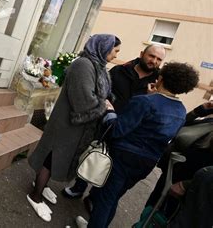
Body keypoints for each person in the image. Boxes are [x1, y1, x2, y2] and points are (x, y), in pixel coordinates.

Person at [77, 62, 199, 228]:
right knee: (113, 198)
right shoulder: (180, 111)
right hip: (147, 163)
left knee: (105, 199)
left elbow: (117, 130)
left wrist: (110, 111)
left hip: (123, 157)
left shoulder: (144, 101)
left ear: (160, 78)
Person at [26, 34, 121, 222]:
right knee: (51, 157)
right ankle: (35, 196)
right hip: (65, 124)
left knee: (58, 158)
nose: (116, 56)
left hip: (76, 126)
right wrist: (104, 106)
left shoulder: (97, 65)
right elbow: (83, 100)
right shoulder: (84, 65)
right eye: (115, 51)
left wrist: (106, 102)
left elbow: (99, 94)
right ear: (104, 47)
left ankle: (41, 186)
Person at [63, 44, 166, 200]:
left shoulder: (159, 82)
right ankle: (79, 187)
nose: (154, 61)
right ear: (142, 53)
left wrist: (152, 97)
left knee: (114, 167)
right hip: (105, 121)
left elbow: (159, 110)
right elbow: (101, 90)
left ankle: (94, 198)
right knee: (93, 153)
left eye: (159, 59)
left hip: (130, 130)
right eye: (151, 56)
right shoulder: (120, 70)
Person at [144, 99, 213, 213]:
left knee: (162, 218)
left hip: (187, 187)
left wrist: (186, 184)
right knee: (149, 211)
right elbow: (179, 128)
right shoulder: (209, 121)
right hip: (172, 175)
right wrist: (199, 111)